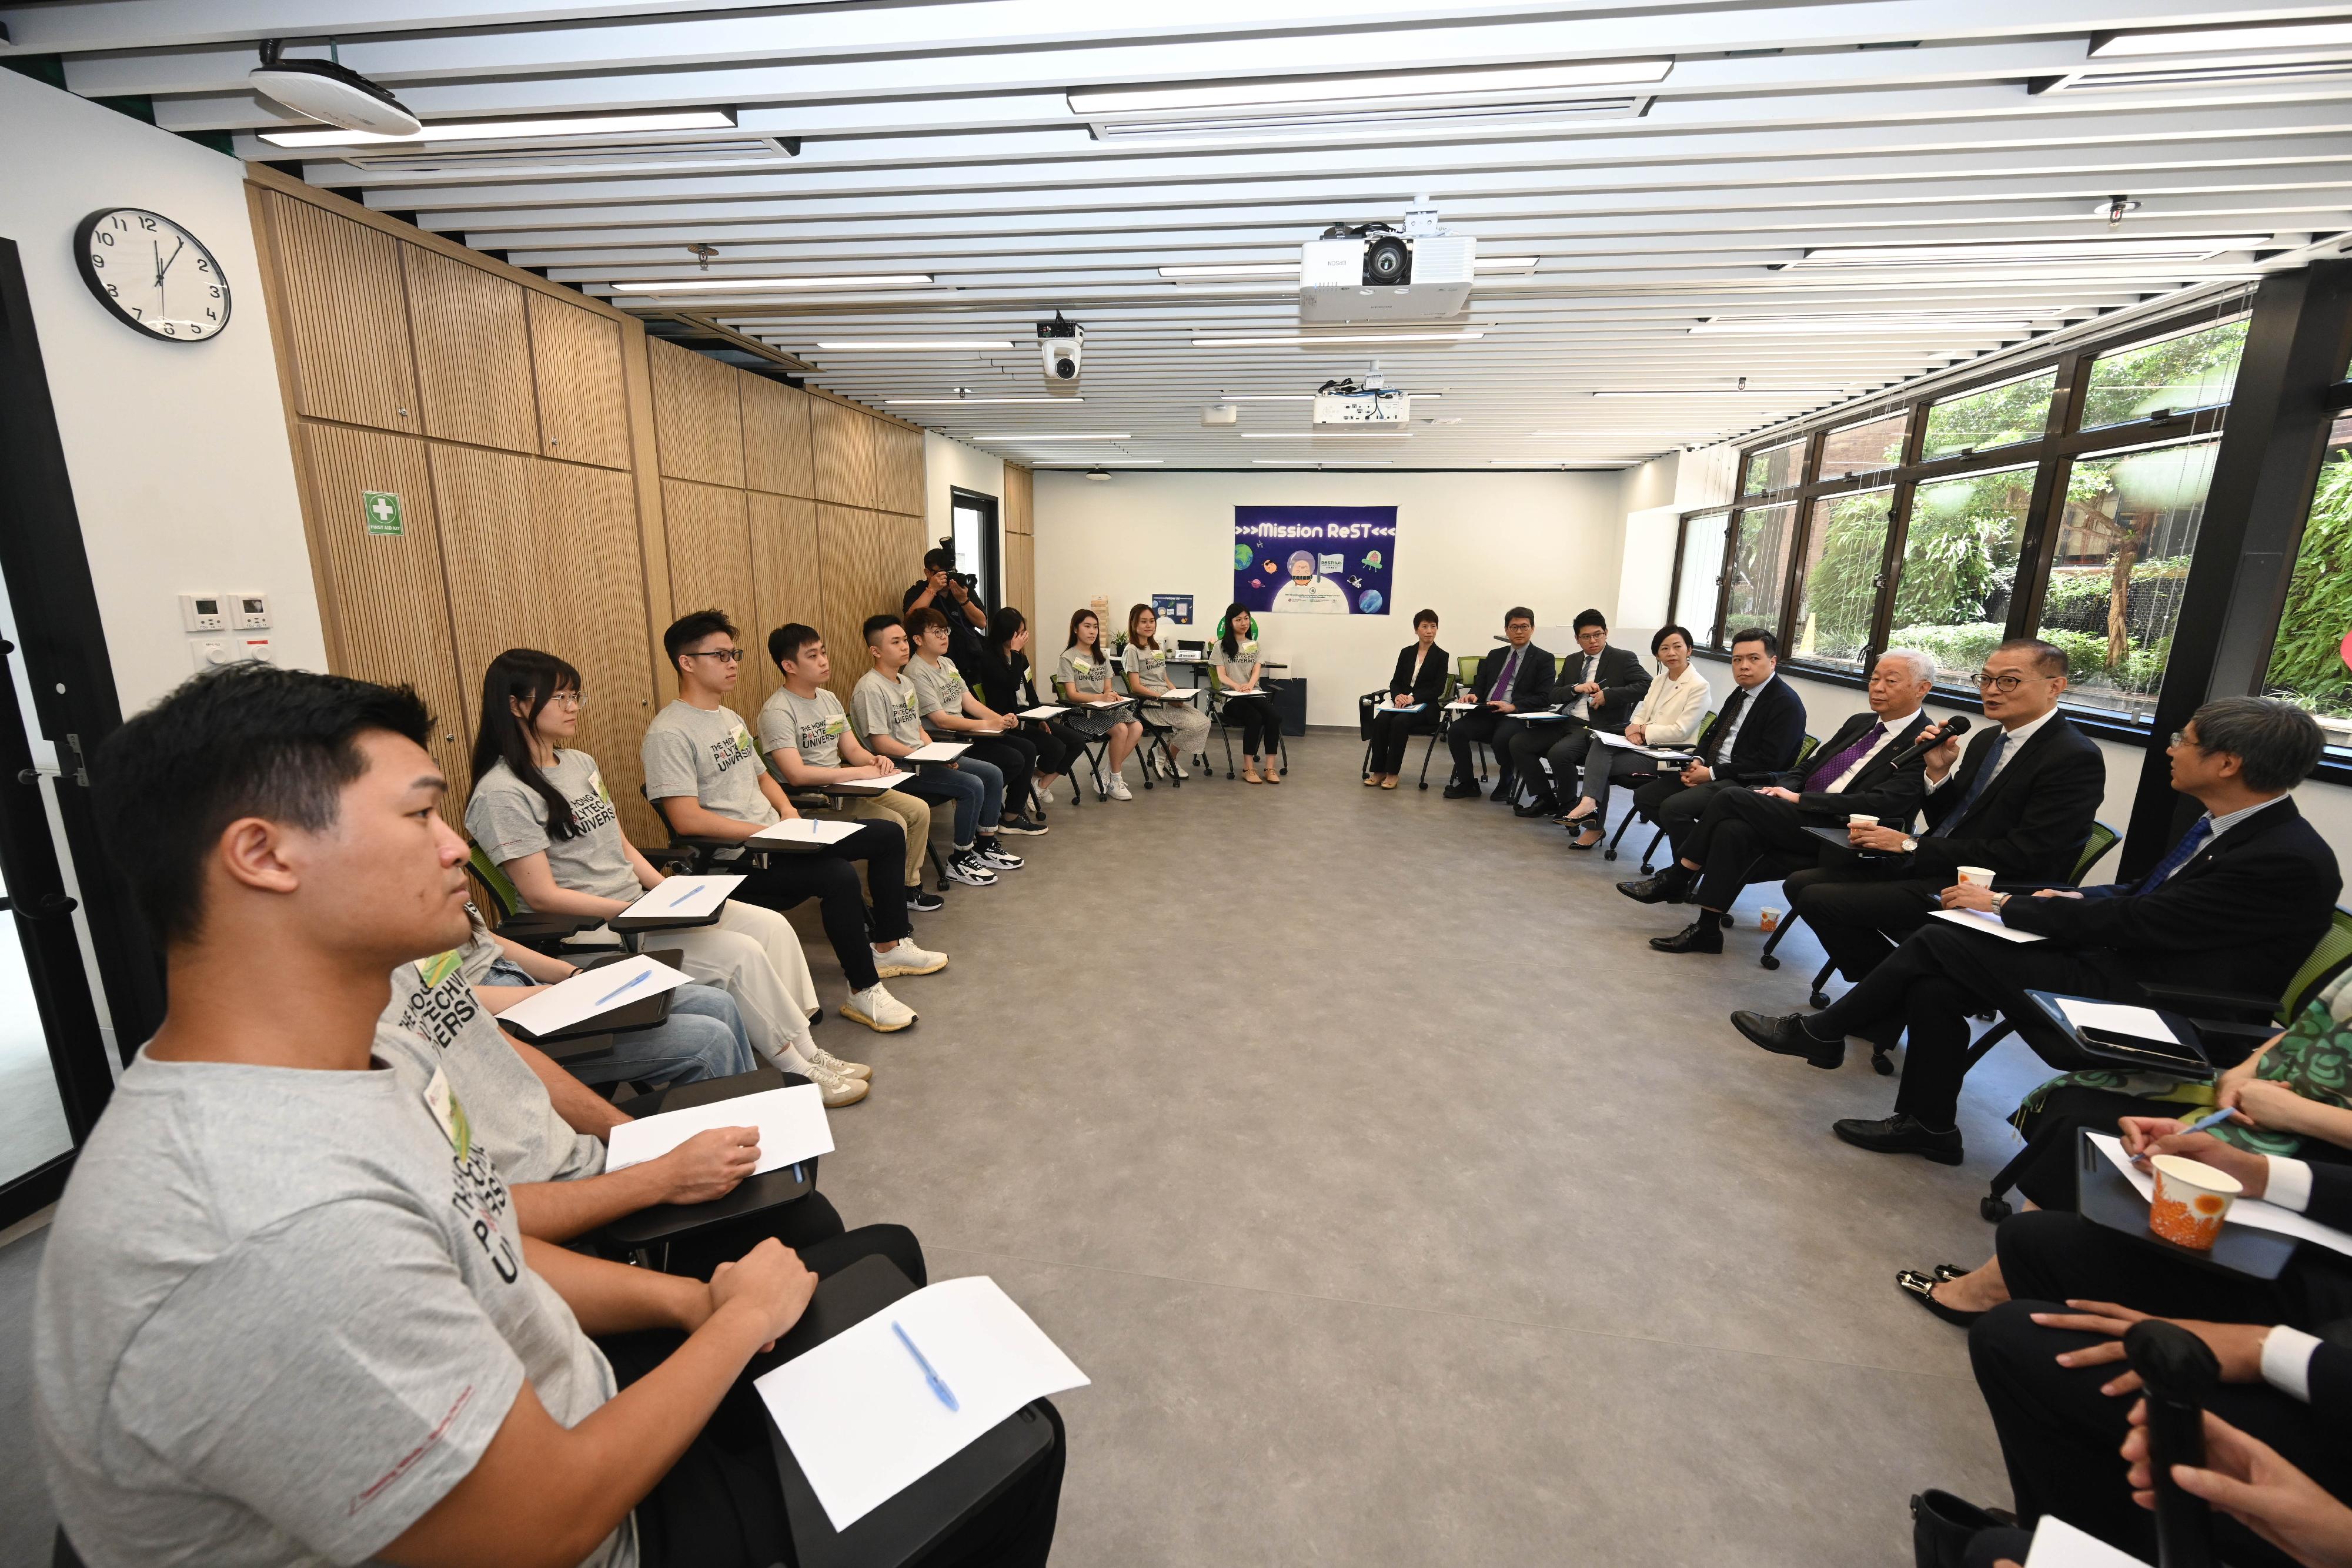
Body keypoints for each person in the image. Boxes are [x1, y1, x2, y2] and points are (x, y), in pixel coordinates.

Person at [35, 662, 1068, 1568]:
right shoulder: (271, 1224)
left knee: (877, 1259)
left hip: (560, 1399)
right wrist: (737, 1318)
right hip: (593, 1523)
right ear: (263, 855)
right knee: (1017, 1439)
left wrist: (691, 1305)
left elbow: (487, 1246)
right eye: (418, 817)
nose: (456, 850)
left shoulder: (366, 1051)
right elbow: (541, 1527)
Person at [1732, 697, 2340, 1165]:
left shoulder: (2280, 856)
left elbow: (2146, 921)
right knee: (1939, 977)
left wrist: (2006, 903)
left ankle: (1824, 1031)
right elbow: (2143, 897)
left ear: (2227, 763)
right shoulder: (2232, 828)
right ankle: (1928, 1126)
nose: (2171, 749)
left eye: (2186, 741)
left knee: (1948, 938)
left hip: (2161, 999)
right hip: (2125, 960)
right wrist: (2066, 894)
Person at [466, 647, 870, 1102]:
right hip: (598, 928)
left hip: (643, 906)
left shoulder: (579, 762)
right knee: (739, 954)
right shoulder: (501, 792)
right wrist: (634, 910)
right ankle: (796, 1070)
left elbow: (619, 844)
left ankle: (811, 1050)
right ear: (517, 705)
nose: (573, 706)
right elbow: (541, 896)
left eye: (575, 695)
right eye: (559, 697)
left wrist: (668, 891)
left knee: (771, 925)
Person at [642, 609, 940, 1035]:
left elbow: (763, 776)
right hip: (739, 858)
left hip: (780, 837)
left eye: (734, 654)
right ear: (687, 662)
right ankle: (863, 990)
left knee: (887, 832)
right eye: (720, 655)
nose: (732, 664)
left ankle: (889, 944)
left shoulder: (730, 718)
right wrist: (766, 832)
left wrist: (786, 813)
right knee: (837, 876)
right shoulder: (669, 733)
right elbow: (686, 819)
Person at [1784, 637, 2106, 992]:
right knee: (1801, 883)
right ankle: (1886, 994)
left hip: (1988, 886)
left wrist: (1910, 845)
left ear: (2054, 687)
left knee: (1821, 899)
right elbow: (1953, 819)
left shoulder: (2073, 756)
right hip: (1936, 863)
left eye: (2009, 681)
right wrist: (1938, 776)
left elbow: (2027, 855)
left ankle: (1883, 998)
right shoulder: (1987, 740)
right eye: (1985, 680)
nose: (1992, 691)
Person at [1618, 646, 1937, 953]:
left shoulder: (1925, 742)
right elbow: (1808, 765)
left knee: (1731, 798)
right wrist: (1781, 791)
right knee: (1733, 830)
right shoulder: (1861, 723)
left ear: (1922, 688)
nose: (1877, 688)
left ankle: (1679, 876)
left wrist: (1800, 800)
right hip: (1800, 812)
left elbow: (1882, 804)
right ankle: (1707, 930)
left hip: (1842, 830)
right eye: (1873, 679)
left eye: (1890, 681)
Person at [755, 622, 943, 913]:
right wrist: (858, 771)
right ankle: (879, 900)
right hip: (816, 801)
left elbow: (852, 750)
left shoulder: (828, 698)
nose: (823, 661)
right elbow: (796, 774)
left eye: (824, 652)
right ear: (789, 665)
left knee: (918, 809)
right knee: (894, 823)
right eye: (812, 656)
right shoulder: (778, 711)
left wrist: (873, 761)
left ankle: (906, 887)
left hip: (849, 788)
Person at [854, 613, 1022, 885]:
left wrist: (940, 756)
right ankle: (961, 858)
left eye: (904, 640)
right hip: (903, 767)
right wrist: (925, 756)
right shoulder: (870, 688)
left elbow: (918, 729)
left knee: (991, 774)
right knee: (972, 786)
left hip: (925, 759)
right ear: (875, 651)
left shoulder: (904, 682)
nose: (904, 646)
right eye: (896, 642)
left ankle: (985, 844)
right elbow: (880, 743)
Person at [1621, 627, 1805, 854]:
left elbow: (1769, 762)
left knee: (1673, 808)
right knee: (1646, 797)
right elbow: (1713, 733)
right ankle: (1701, 856)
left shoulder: (1785, 704)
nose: (1744, 666)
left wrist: (1712, 774)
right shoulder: (1741, 693)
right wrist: (1698, 760)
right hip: (1713, 770)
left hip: (1744, 782)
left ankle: (1686, 869)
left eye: (1753, 658)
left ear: (1773, 661)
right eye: (1737, 660)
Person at [1556, 624, 1711, 849]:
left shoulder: (1699, 686)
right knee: (1600, 742)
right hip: (1645, 747)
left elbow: (1681, 731)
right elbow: (1641, 712)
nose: (1671, 653)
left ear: (1690, 650)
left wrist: (1643, 731)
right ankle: (1590, 806)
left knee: (1601, 766)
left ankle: (1593, 821)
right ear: (1658, 654)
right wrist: (1632, 729)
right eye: (1664, 649)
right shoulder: (1659, 680)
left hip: (1671, 753)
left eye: (1677, 647)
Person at [908, 604, 1048, 833]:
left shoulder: (947, 663)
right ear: (918, 639)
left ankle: (1007, 814)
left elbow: (969, 702)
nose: (944, 637)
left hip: (967, 733)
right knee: (1013, 758)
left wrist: (1000, 719)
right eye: (937, 632)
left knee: (1026, 748)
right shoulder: (916, 673)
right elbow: (942, 721)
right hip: (947, 740)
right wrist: (987, 724)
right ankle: (988, 813)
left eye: (945, 631)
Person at [1506, 609, 1650, 818]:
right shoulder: (1573, 660)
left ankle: (1568, 804)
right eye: (1586, 637)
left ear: (1606, 633)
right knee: (1518, 743)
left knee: (1559, 754)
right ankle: (1545, 798)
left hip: (1596, 727)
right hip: (1566, 720)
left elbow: (1647, 685)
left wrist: (1609, 696)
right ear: (1577, 639)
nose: (1593, 641)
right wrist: (1575, 688)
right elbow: (1553, 694)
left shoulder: (1623, 658)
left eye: (1597, 634)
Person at [1442, 606, 1555, 801]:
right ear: (1506, 629)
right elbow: (1481, 683)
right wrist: (1474, 695)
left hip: (1515, 714)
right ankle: (1468, 783)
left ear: (1533, 629)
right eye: (1514, 627)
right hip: (1487, 709)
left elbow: (1545, 697)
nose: (1519, 632)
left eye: (1524, 627)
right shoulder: (1495, 655)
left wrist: (1513, 706)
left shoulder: (1544, 659)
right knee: (1456, 731)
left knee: (1502, 738)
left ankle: (1506, 779)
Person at [974, 604, 1072, 815]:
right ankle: (1024, 789)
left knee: (1072, 741)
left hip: (1028, 716)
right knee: (1052, 747)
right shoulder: (989, 658)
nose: (1022, 637)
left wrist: (1041, 716)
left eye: (1023, 632)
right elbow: (1012, 684)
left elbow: (1029, 690)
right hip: (1009, 719)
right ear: (1007, 634)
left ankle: (1036, 781)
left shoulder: (1021, 658)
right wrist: (1016, 653)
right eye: (1018, 633)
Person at [1057, 606, 1145, 799]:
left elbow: (1107, 688)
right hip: (1081, 713)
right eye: (1087, 626)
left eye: (1095, 627)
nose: (1092, 631)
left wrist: (1112, 695)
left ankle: (1105, 773)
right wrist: (1100, 698)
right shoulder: (1068, 657)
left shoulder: (1102, 656)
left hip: (1103, 709)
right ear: (1075, 629)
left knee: (1137, 728)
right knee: (1121, 729)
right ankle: (1115, 778)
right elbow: (1072, 695)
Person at [1120, 601, 1214, 781]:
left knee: (1204, 722)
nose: (1149, 625)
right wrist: (1164, 698)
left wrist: (1175, 693)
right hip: (1149, 702)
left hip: (1165, 697)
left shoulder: (1156, 647)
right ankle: (1166, 756)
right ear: (1134, 624)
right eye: (1143, 622)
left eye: (1152, 621)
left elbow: (1165, 678)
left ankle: (1165, 754)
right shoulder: (1131, 650)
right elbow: (1135, 686)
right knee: (1194, 725)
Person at [1366, 608, 1450, 789]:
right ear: (1416, 630)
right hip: (1401, 703)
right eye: (1425, 626)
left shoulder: (1442, 656)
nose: (1429, 631)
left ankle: (1393, 773)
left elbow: (1438, 689)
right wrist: (1398, 696)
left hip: (1426, 707)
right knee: (1381, 720)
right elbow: (1395, 682)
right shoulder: (1406, 652)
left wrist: (1413, 698)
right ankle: (1378, 770)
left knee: (1399, 722)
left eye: (1433, 626)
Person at [1212, 603, 1284, 785]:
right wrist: (1237, 686)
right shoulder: (1221, 646)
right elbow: (1221, 675)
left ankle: (1269, 768)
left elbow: (1256, 672)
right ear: (1230, 623)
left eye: (1246, 619)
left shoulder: (1254, 645)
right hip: (1231, 697)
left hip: (1253, 693)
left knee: (1274, 716)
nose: (1244, 623)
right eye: (1238, 619)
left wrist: (1250, 686)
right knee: (1255, 717)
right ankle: (1248, 768)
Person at [903, 544, 990, 670]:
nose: (948, 577)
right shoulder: (918, 591)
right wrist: (932, 590)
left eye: (951, 572)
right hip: (932, 664)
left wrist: (963, 600)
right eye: (942, 573)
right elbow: (910, 620)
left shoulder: (962, 588)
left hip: (968, 659)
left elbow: (982, 623)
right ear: (928, 572)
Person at [1268, 547, 1351, 613]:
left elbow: (1341, 609)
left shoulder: (1327, 587)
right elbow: (1279, 611)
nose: (1302, 571)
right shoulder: (1286, 592)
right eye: (1298, 568)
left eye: (1305, 568)